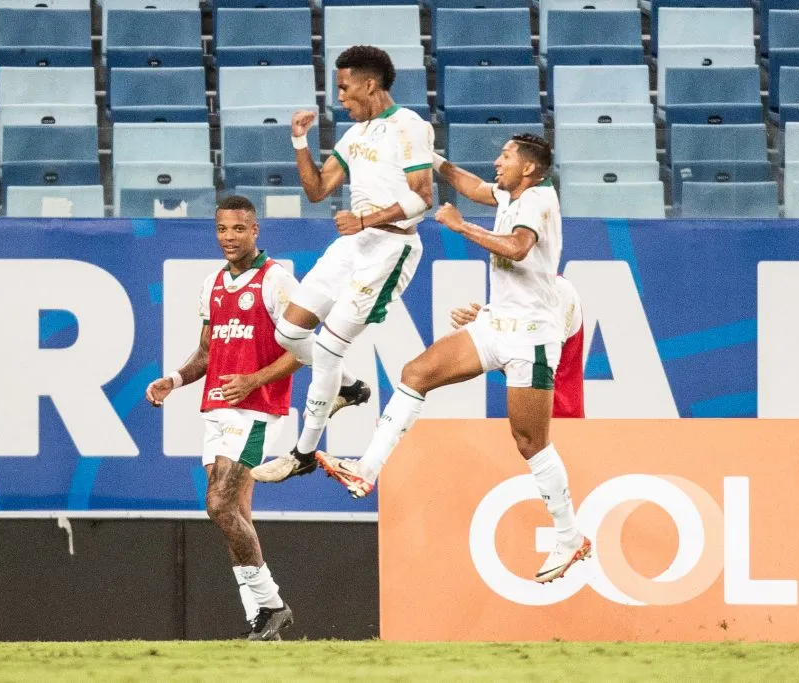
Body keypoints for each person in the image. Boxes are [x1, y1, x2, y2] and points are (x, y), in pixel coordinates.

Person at [314, 134, 592, 584]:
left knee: (530, 442)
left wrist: (462, 228)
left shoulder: (540, 198)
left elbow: (519, 247)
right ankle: (366, 470)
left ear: (529, 168)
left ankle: (568, 535)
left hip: (531, 339)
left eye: (506, 156)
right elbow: (474, 185)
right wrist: (432, 157)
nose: (497, 161)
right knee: (415, 373)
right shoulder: (511, 192)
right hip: (495, 326)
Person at [251, 45, 435, 484]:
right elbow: (317, 190)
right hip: (353, 244)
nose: (341, 98)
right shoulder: (354, 136)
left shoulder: (410, 126)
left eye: (346, 88)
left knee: (330, 348)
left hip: (390, 249)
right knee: (290, 331)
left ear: (370, 84)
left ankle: (302, 452)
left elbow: (421, 196)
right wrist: (299, 141)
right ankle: (348, 388)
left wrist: (364, 219)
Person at [145, 195, 297, 640]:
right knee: (235, 515)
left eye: (238, 229)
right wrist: (174, 378)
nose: (229, 238)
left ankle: (271, 604)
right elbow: (208, 353)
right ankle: (262, 620)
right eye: (222, 229)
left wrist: (252, 381)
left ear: (255, 231)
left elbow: (303, 351)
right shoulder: (211, 282)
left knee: (219, 505)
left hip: (257, 407)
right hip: (216, 407)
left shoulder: (277, 281)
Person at [450, 274, 585, 418]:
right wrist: (492, 336)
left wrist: (498, 337)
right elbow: (523, 367)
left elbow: (539, 366)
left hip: (563, 423)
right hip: (530, 425)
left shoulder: (558, 291)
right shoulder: (513, 302)